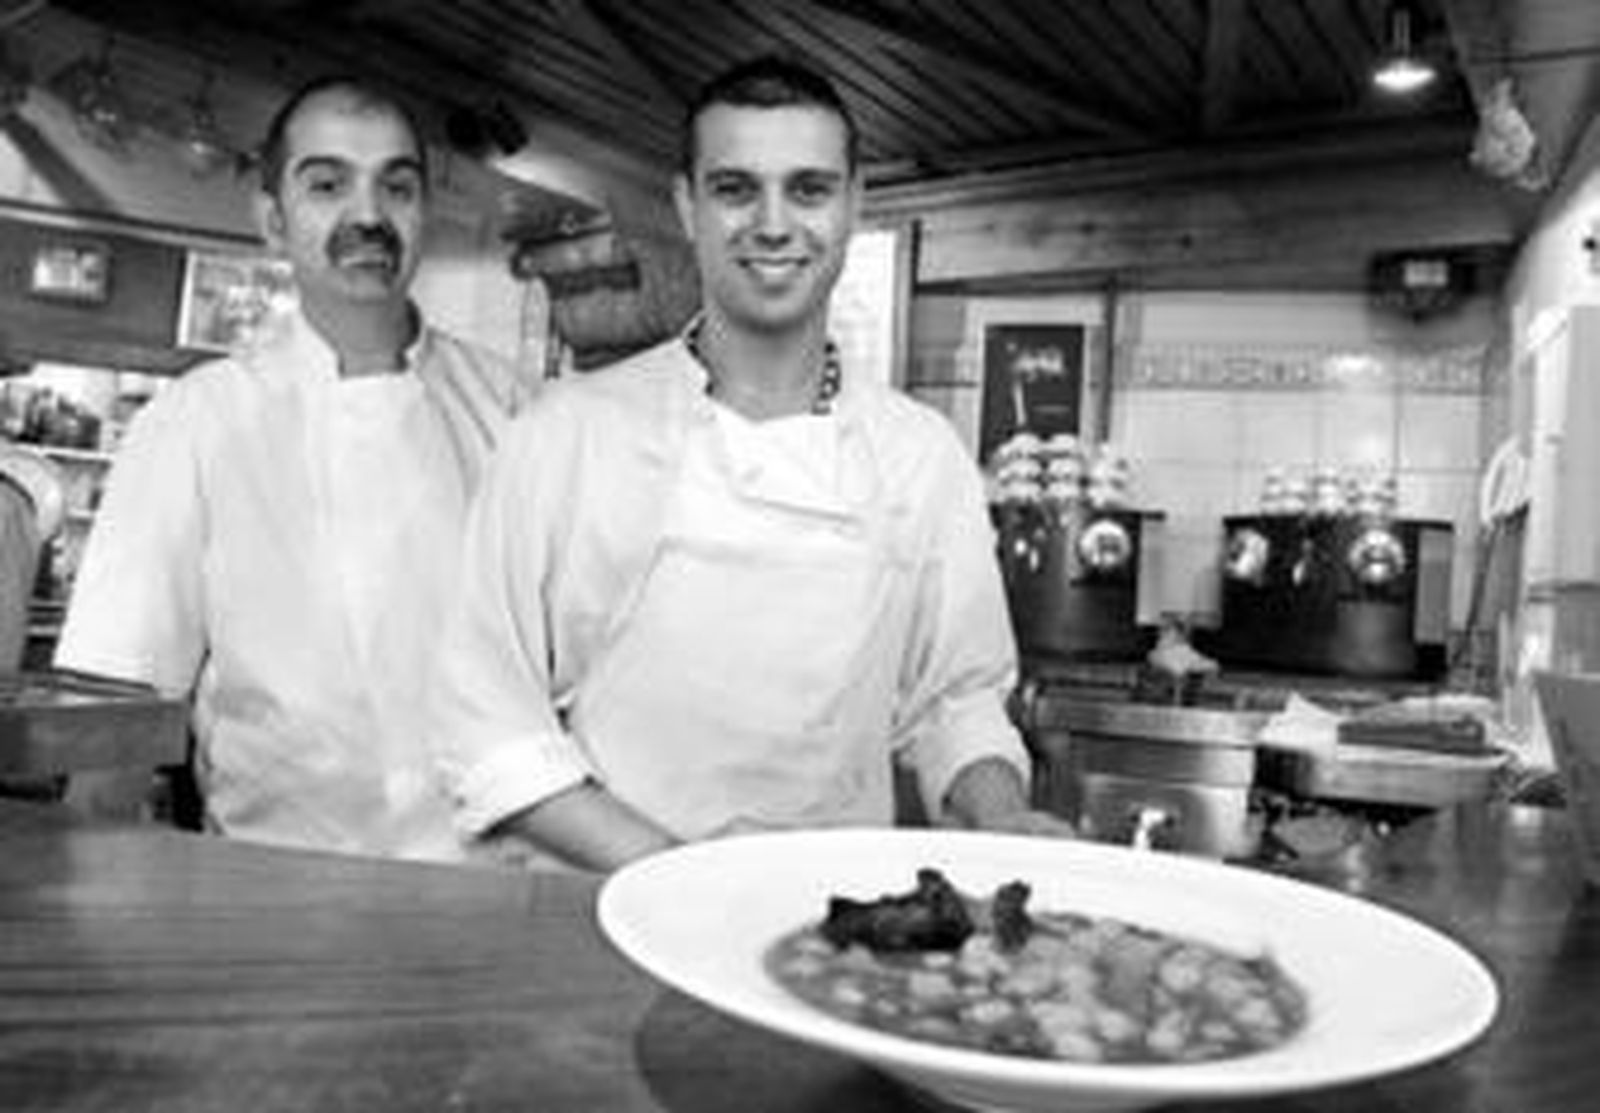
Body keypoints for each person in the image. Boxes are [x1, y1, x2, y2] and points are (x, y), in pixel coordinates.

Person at [430, 54, 1074, 872]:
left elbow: (955, 702)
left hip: (838, 929)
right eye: (736, 188)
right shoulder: (566, 435)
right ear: (685, 206)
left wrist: (1001, 810)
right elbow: (487, 721)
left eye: (808, 189)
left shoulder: (919, 456)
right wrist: (681, 878)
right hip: (604, 917)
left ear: (852, 205)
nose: (774, 224)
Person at [55, 76, 534, 860]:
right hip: (270, 881)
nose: (369, 215)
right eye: (327, 184)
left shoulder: (521, 413)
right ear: (273, 219)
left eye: (398, 186)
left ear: (426, 214)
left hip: (489, 885)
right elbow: (121, 708)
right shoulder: (194, 421)